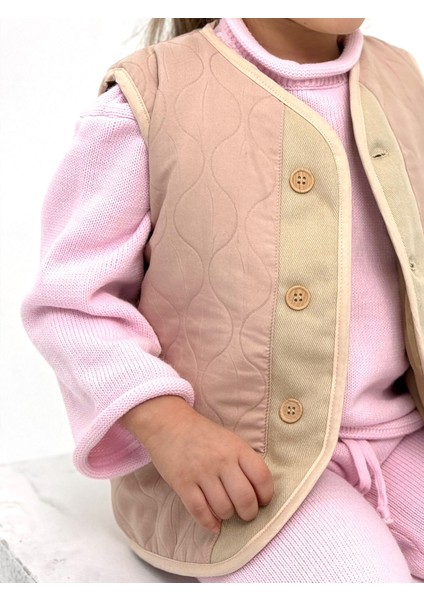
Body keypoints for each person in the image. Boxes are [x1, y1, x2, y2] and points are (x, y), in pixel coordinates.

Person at [21, 18, 424, 583]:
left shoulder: (401, 78)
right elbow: (70, 302)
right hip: (233, 470)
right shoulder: (151, 97)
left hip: (398, 434)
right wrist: (169, 426)